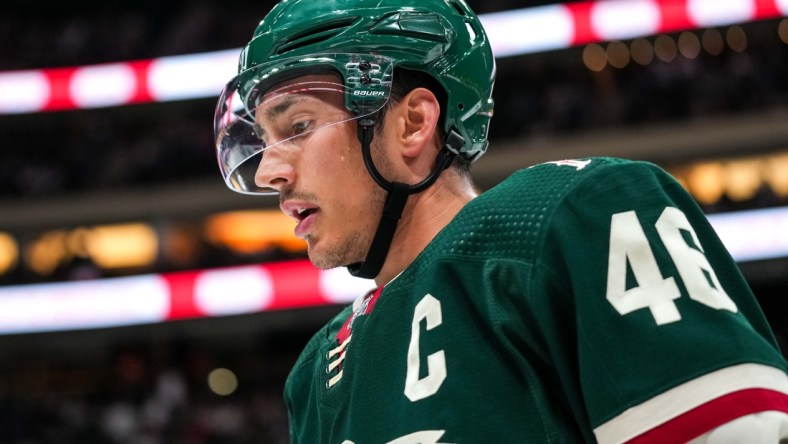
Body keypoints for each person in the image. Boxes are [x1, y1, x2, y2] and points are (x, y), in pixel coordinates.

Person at [213, 0, 788, 441]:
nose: (270, 172)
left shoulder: (575, 213)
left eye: (297, 127)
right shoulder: (314, 375)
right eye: (262, 139)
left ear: (412, 122)